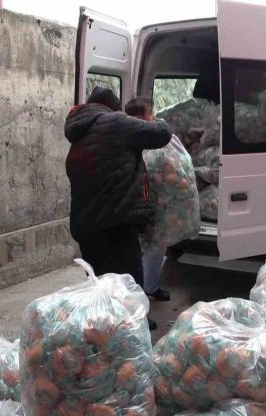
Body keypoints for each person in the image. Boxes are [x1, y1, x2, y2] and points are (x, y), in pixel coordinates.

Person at [64, 87, 172, 330]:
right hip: (116, 222)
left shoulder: (80, 131)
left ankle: (105, 332)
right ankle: (133, 329)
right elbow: (161, 134)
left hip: (85, 224)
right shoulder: (116, 122)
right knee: (128, 281)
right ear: (114, 108)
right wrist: (156, 119)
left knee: (100, 285)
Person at [124, 97, 172, 302]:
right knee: (148, 247)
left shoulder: (124, 132)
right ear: (143, 116)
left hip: (145, 200)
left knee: (150, 247)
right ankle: (141, 295)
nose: (152, 118)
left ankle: (149, 287)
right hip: (139, 202)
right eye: (150, 114)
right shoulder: (140, 135)